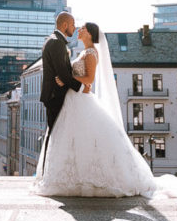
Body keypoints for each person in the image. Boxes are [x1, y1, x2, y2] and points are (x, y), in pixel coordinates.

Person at [33, 21, 158, 197]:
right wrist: (68, 78)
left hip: (81, 99)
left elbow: (89, 78)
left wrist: (69, 78)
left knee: (85, 138)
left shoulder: (91, 53)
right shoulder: (84, 52)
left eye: (83, 28)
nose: (79, 30)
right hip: (74, 98)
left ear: (90, 34)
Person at [39, 11, 84, 172]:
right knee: (55, 136)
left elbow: (62, 74)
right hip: (55, 95)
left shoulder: (53, 40)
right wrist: (81, 87)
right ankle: (49, 173)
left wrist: (65, 79)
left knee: (55, 135)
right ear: (64, 25)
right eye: (72, 24)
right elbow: (63, 73)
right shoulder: (57, 42)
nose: (74, 28)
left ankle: (51, 172)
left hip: (54, 94)